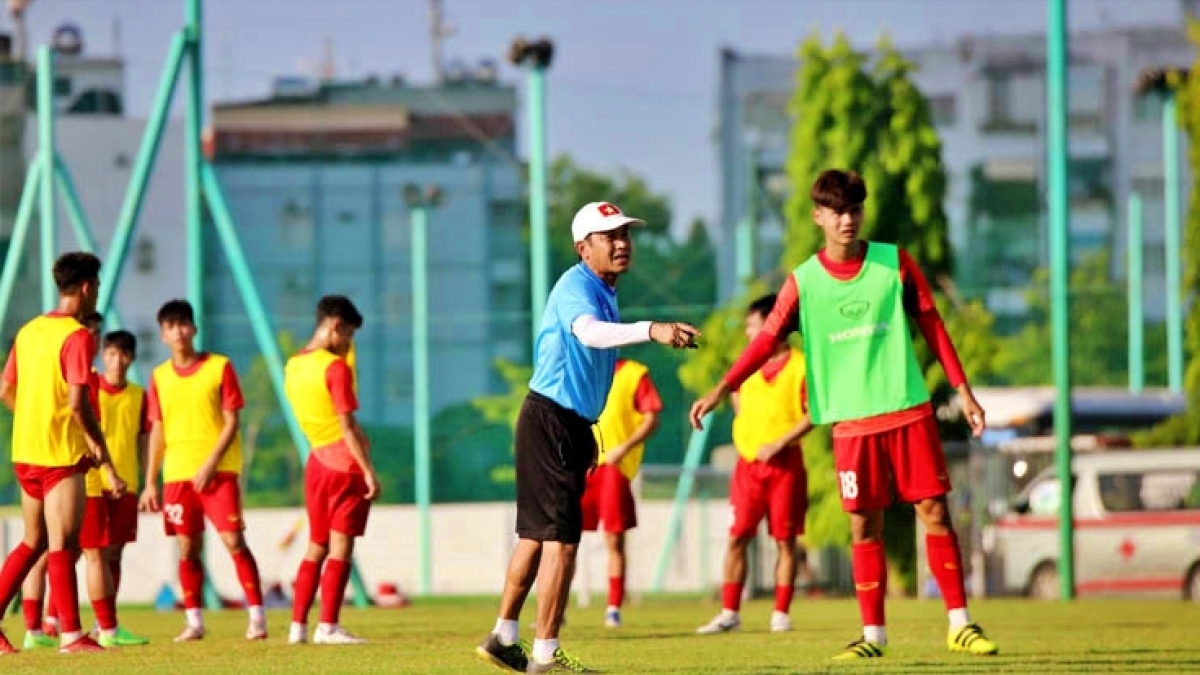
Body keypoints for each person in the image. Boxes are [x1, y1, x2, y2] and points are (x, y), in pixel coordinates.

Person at [689, 169, 998, 660]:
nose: (846, 220)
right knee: (863, 527)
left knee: (935, 512)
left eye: (854, 210)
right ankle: (873, 636)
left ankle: (959, 623)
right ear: (818, 217)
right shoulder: (803, 283)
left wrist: (964, 391)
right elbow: (767, 339)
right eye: (835, 212)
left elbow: (933, 326)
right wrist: (722, 386)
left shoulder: (893, 263)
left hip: (907, 410)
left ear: (862, 212)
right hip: (852, 425)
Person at [475, 201, 700, 673]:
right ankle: (545, 655)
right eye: (609, 236)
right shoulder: (577, 286)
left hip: (564, 423)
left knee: (536, 538)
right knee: (563, 541)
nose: (622, 243)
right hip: (552, 420)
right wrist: (652, 329)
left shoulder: (602, 288)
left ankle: (502, 636)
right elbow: (590, 334)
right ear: (584, 247)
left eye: (625, 234)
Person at [0, 252, 123, 654]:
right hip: (59, 457)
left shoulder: (29, 330)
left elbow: (5, 389)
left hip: (25, 453)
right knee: (63, 543)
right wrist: (99, 447)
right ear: (87, 287)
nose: (97, 294)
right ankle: (71, 634)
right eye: (98, 287)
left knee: (32, 540)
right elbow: (76, 402)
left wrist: (35, 418)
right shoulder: (77, 335)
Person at [138, 299, 266, 642]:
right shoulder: (159, 377)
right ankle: (193, 621)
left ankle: (257, 616)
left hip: (219, 471)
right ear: (163, 335)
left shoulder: (219, 367)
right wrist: (150, 482)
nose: (178, 332)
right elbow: (158, 431)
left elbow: (232, 421)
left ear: (194, 329)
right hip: (178, 476)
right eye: (171, 326)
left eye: (184, 324)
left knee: (233, 540)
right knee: (187, 549)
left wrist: (210, 462)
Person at [20, 317, 148, 649]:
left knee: (59, 548)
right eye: (104, 346)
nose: (92, 342)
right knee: (64, 550)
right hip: (79, 476)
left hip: (103, 478)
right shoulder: (85, 381)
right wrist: (106, 469)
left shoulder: (136, 393)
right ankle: (76, 627)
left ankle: (54, 625)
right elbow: (81, 420)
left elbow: (144, 437)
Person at [696, 293, 811, 636]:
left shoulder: (802, 366)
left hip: (786, 465)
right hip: (748, 468)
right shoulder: (747, 365)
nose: (748, 333)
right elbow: (736, 396)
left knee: (785, 541)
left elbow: (814, 413)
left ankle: (781, 614)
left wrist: (779, 442)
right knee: (737, 538)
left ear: (774, 325)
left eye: (752, 325)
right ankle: (729, 612)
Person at [285, 295, 380, 645]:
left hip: (316, 463)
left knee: (316, 546)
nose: (348, 345)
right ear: (336, 326)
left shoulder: (293, 365)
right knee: (341, 547)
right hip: (344, 466)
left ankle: (297, 627)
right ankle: (328, 627)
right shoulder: (334, 368)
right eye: (349, 336)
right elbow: (346, 424)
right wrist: (368, 470)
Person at [579, 358, 662, 629]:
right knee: (562, 539)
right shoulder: (583, 368)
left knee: (614, 539)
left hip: (613, 466)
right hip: (580, 465)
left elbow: (651, 418)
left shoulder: (634, 374)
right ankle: (558, 608)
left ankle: (613, 608)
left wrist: (623, 448)